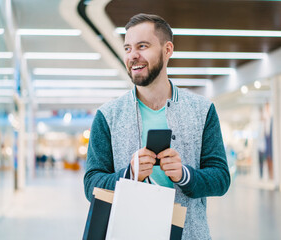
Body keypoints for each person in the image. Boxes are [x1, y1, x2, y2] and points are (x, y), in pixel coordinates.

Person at [84, 13, 230, 239]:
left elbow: (221, 178)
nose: (133, 55)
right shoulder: (108, 116)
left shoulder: (202, 111)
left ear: (167, 49)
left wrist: (184, 175)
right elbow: (91, 184)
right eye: (128, 48)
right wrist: (129, 174)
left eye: (142, 46)